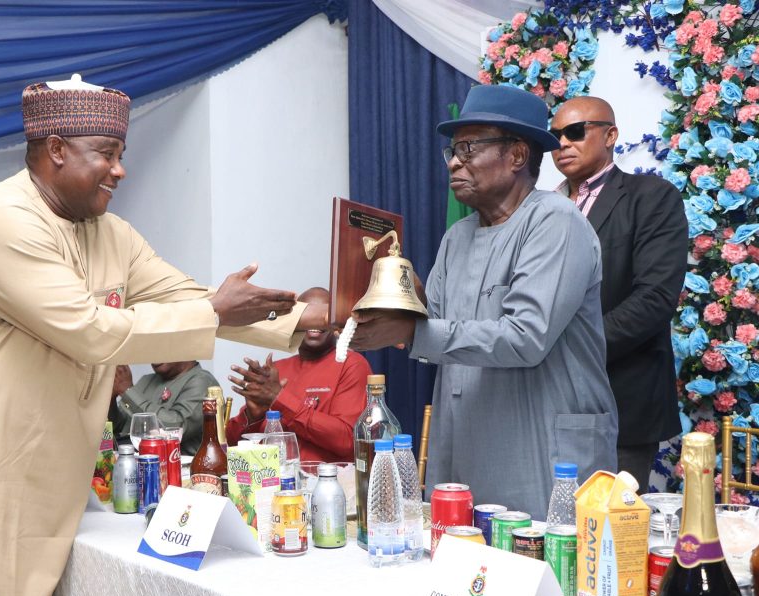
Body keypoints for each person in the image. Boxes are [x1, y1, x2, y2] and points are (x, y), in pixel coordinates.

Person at [0, 74, 325, 596]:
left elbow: (189, 298)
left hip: (37, 470)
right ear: (56, 149)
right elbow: (89, 331)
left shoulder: (110, 233)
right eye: (107, 154)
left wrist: (312, 323)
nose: (120, 170)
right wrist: (214, 311)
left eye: (122, 154)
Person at [348, 85, 617, 521]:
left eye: (469, 148)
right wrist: (391, 298)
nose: (454, 162)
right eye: (452, 151)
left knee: (537, 559)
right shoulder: (457, 237)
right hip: (464, 440)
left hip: (540, 447)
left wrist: (413, 331)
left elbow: (525, 337)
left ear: (517, 155)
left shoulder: (555, 220)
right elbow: (434, 327)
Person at [550, 96, 687, 489]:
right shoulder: (541, 208)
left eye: (576, 132)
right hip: (543, 400)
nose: (563, 143)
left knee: (610, 521)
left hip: (620, 399)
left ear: (610, 135)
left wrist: (570, 351)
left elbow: (655, 298)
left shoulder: (651, 196)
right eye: (555, 135)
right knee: (542, 517)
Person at [226, 287, 372, 463]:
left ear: (336, 323)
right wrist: (252, 416)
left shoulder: (352, 364)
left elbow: (347, 440)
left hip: (326, 478)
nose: (316, 322)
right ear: (293, 321)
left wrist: (279, 398)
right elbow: (233, 446)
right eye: (307, 314)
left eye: (323, 315)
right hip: (272, 476)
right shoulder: (276, 369)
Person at [109, 360, 219, 454]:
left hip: (181, 467)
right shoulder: (147, 380)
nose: (155, 356)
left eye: (162, 348)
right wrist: (110, 399)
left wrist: (127, 391)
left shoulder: (202, 380)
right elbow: (121, 427)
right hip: (133, 462)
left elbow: (176, 428)